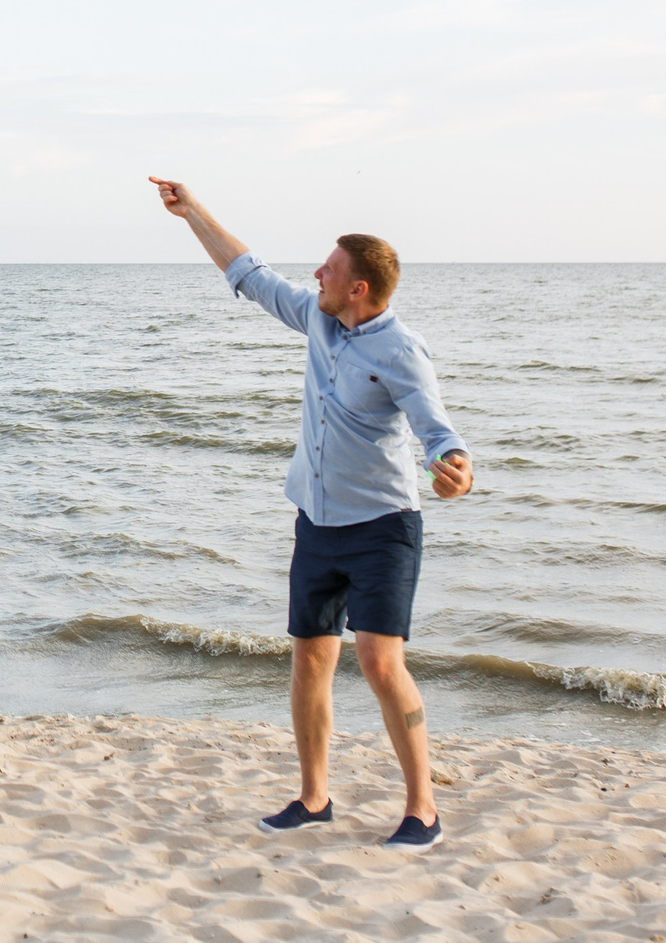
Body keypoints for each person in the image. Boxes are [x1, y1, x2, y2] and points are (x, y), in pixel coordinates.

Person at [149, 176, 474, 851]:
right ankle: (314, 796)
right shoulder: (318, 319)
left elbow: (439, 435)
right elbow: (249, 272)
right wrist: (193, 212)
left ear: (359, 287)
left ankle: (423, 809)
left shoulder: (401, 350)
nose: (317, 274)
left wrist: (455, 474)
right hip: (317, 524)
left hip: (383, 527)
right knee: (309, 663)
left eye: (330, 268)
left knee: (382, 665)